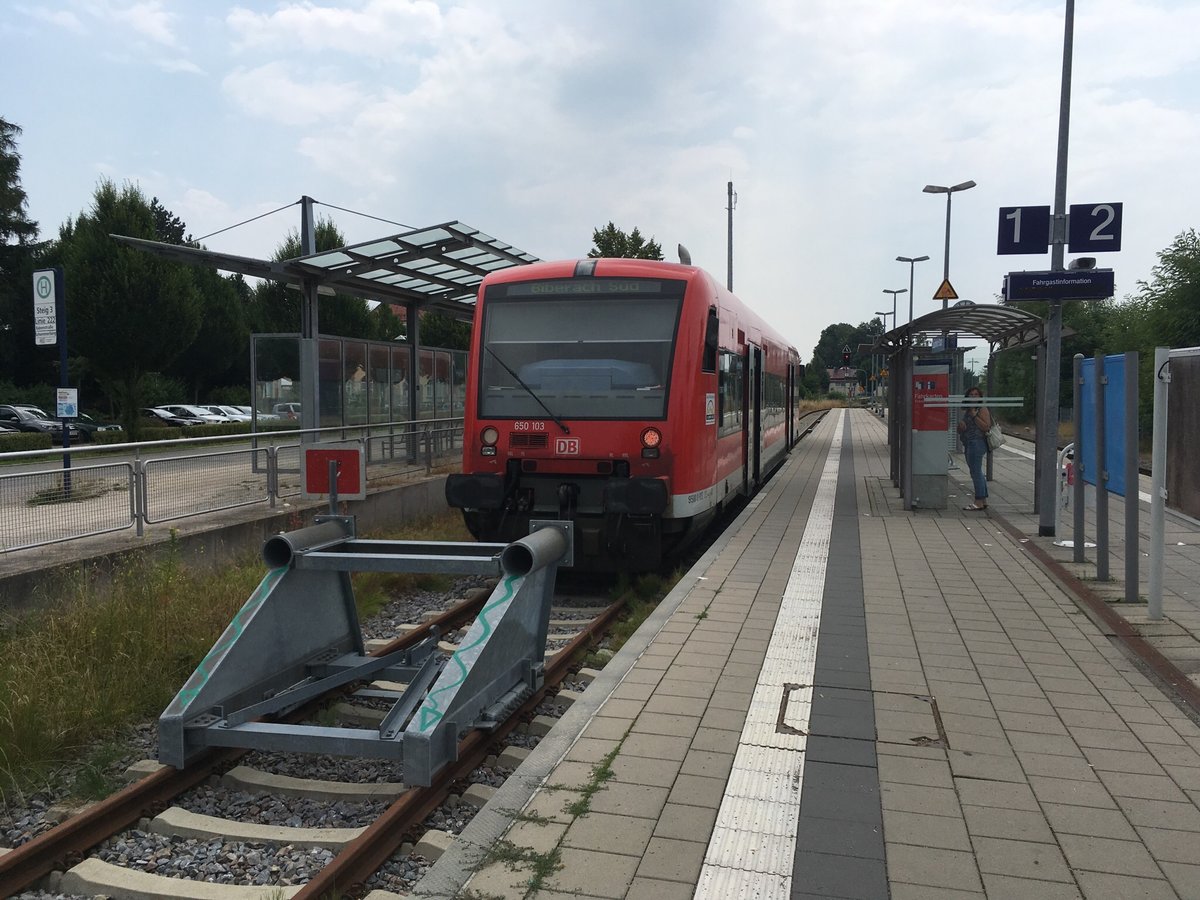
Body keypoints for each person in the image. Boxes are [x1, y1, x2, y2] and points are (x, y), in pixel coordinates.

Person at [957, 386, 992, 511]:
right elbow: (962, 428)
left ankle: (978, 501)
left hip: (977, 443)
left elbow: (986, 427)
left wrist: (974, 416)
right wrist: (961, 426)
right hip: (968, 442)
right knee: (976, 471)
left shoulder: (981, 409)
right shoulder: (967, 410)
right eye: (971, 394)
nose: (973, 396)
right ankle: (983, 500)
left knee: (975, 472)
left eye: (976, 394)